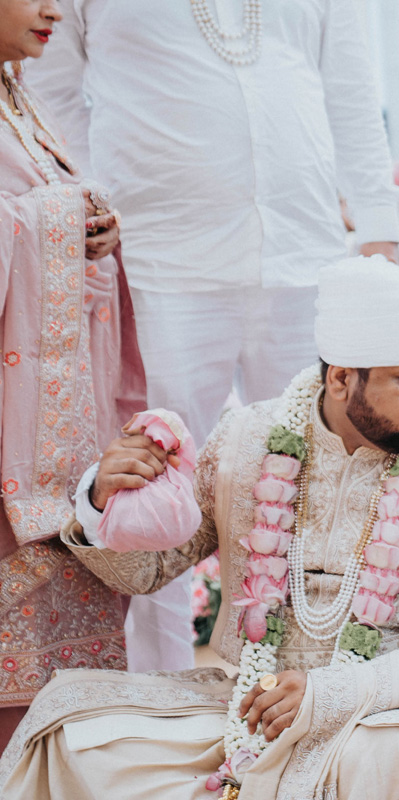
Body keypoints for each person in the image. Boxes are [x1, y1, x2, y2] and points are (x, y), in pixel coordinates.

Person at [0, 257, 399, 799]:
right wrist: (104, 501)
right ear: (343, 378)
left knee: (379, 761)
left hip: (387, 715)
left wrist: (333, 695)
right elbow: (152, 569)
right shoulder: (247, 440)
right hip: (248, 708)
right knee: (73, 735)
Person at [24, 0, 399, 673]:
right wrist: (96, 192)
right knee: (155, 496)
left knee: (327, 482)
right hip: (161, 263)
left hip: (304, 255)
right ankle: (157, 703)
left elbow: (349, 86)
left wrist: (378, 234)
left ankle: (316, 690)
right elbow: (49, 86)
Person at [0, 0, 145, 749]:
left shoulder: (19, 97)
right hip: (8, 448)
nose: (56, 7)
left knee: (62, 709)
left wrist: (95, 228)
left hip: (59, 448)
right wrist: (57, 219)